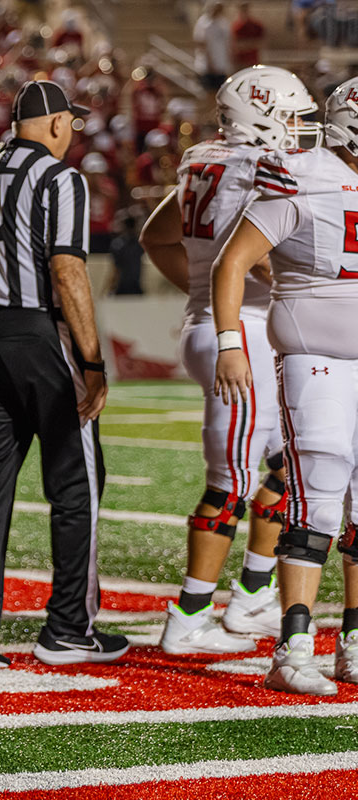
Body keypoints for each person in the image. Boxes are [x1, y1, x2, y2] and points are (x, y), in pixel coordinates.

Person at [0, 81, 124, 669]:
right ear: (52, 123)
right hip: (40, 336)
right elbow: (67, 269)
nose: (73, 131)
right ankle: (69, 628)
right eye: (70, 121)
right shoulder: (59, 178)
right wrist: (92, 362)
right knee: (76, 485)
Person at [140, 66, 320, 655]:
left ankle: (250, 596)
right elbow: (262, 261)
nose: (298, 131)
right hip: (238, 336)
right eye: (291, 118)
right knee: (229, 485)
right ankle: (189, 616)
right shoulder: (262, 168)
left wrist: (198, 290)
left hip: (219, 324)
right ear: (263, 118)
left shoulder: (201, 160)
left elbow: (155, 236)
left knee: (286, 467)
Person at [213, 77, 358, 696]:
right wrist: (228, 342)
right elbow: (234, 260)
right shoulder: (307, 173)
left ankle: (353, 641)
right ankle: (294, 647)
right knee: (317, 497)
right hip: (317, 355)